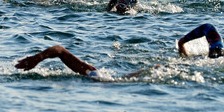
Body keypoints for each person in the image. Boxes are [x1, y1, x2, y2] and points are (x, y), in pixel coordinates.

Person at [15, 45, 159, 79]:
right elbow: (60, 50)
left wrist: (37, 58)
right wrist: (37, 58)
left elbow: (60, 51)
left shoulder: (94, 76)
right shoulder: (92, 73)